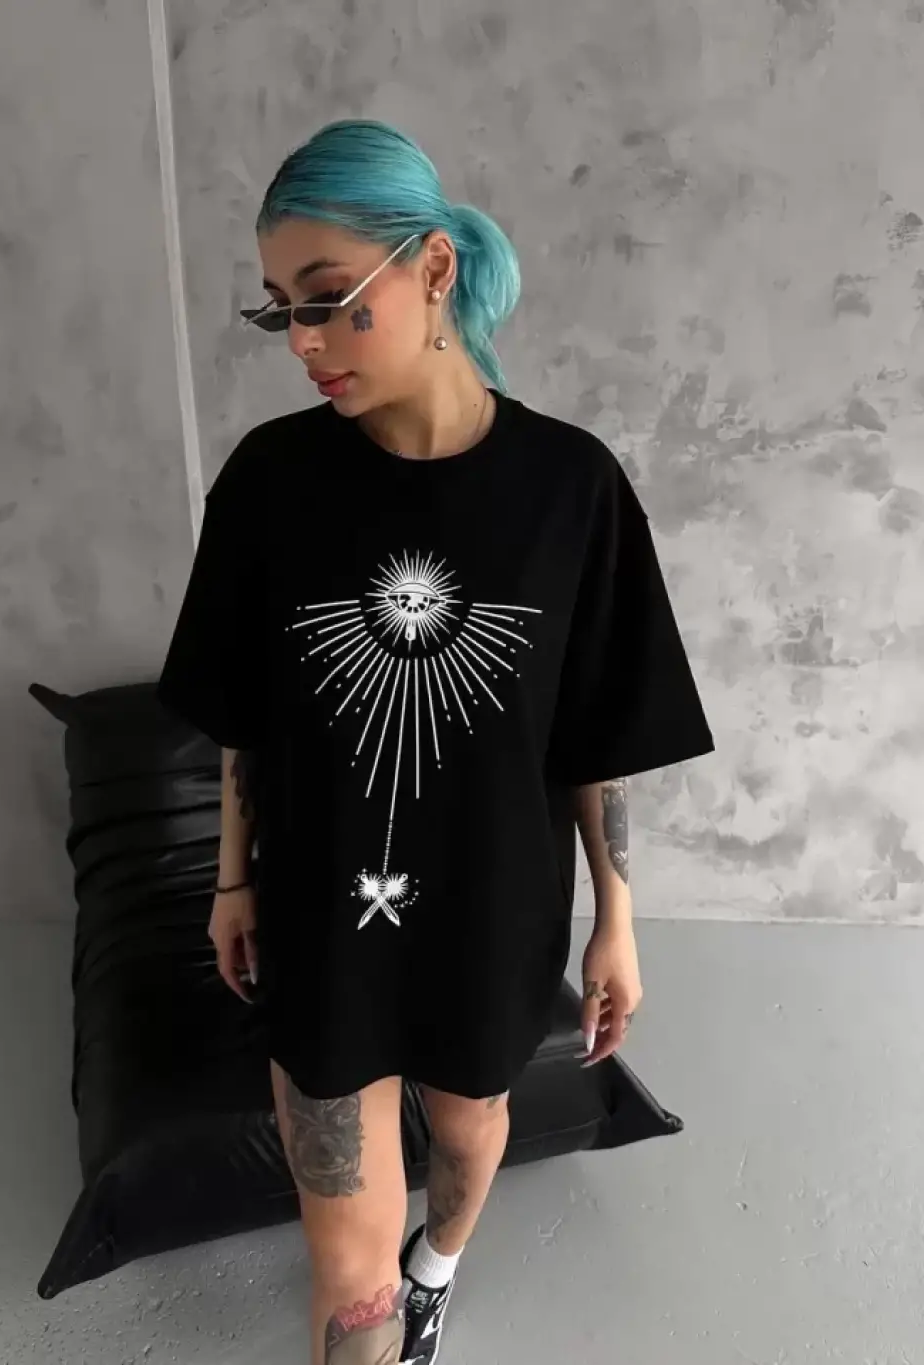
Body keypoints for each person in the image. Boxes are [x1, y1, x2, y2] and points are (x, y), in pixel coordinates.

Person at [157, 119, 714, 1365]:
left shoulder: (571, 488)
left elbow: (594, 730)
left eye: (326, 301)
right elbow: (247, 710)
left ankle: (440, 1265)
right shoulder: (268, 482)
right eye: (279, 311)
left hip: (492, 911)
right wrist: (234, 881)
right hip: (318, 919)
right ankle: (385, 1313)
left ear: (434, 269)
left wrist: (617, 917)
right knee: (346, 1275)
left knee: (467, 1133)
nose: (302, 343)